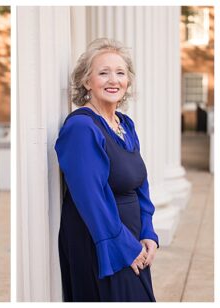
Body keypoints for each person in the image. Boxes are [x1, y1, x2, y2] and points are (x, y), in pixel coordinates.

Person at [56, 38, 157, 302]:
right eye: (103, 73)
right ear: (87, 82)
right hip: (101, 241)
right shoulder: (81, 128)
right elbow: (91, 197)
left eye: (120, 73)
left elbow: (140, 184)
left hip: (131, 238)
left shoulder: (125, 124)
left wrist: (147, 232)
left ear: (128, 82)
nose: (113, 80)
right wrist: (123, 245)